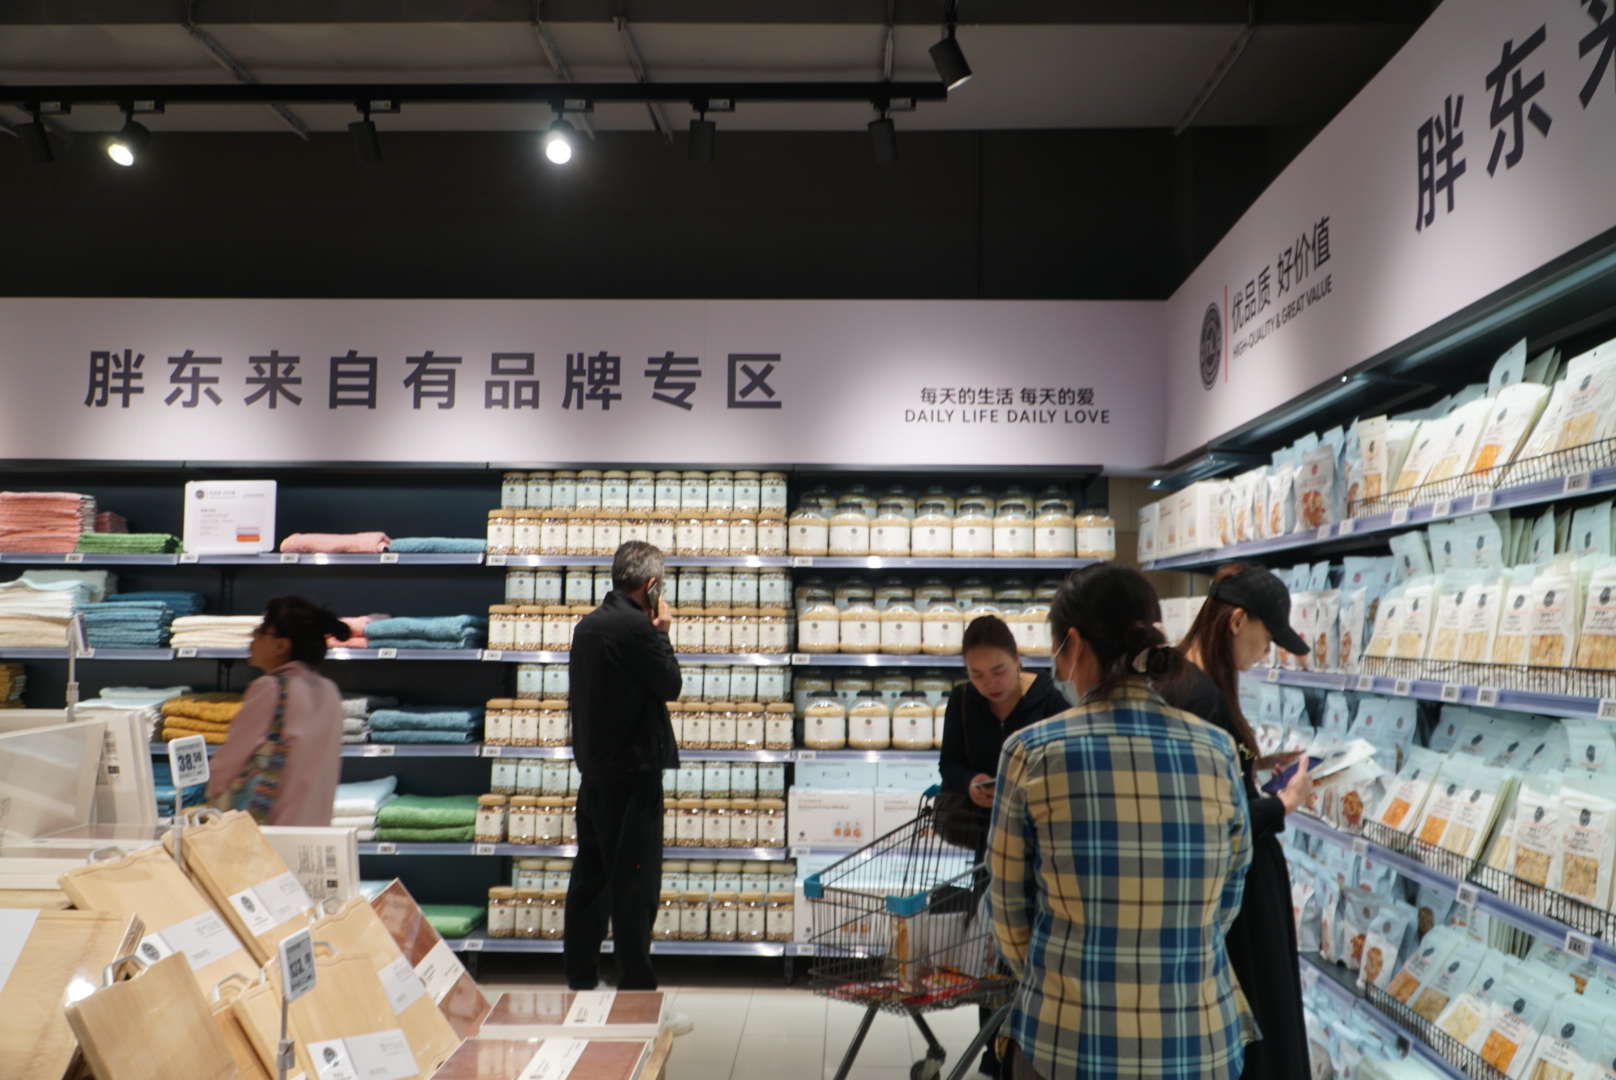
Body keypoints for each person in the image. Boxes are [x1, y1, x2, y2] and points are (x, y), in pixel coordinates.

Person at [988, 564, 1253, 1080]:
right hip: (1196, 1044)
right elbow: (1227, 898)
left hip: (1067, 1042)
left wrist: (1060, 976)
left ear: (1073, 644)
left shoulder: (1030, 752)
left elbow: (1010, 917)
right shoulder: (1217, 749)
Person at [1158, 563, 1313, 1080]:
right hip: (1238, 897)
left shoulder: (1185, 678)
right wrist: (1284, 803)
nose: (1264, 653)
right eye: (1266, 639)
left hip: (1230, 888)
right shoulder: (1198, 698)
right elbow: (1211, 821)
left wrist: (1256, 765)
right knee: (1259, 1029)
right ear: (1237, 620)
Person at [937, 614, 1065, 1078]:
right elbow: (949, 765)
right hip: (988, 845)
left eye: (998, 671)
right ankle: (994, 1056)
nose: (989, 684)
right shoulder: (962, 702)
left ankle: (1032, 1054)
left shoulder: (1052, 700)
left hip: (1044, 847)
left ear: (1018, 660)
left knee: (1035, 952)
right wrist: (970, 782)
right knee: (991, 952)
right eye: (976, 675)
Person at [564, 540, 682, 999]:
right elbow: (670, 684)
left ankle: (581, 979)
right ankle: (636, 992)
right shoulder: (637, 629)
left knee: (590, 878)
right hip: (633, 778)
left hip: (594, 773)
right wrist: (663, 632)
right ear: (651, 585)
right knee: (635, 885)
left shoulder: (588, 626)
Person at [205, 595, 348, 827]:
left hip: (271, 828)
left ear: (281, 646)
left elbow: (233, 756)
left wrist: (210, 792)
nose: (253, 636)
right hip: (316, 828)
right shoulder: (329, 689)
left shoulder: (272, 688)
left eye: (261, 630)